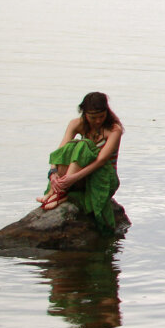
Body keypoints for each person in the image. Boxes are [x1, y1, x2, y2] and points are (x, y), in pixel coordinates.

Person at [37, 92, 124, 233]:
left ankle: (59, 193)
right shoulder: (76, 124)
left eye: (101, 117)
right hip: (80, 176)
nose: (97, 121)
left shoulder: (114, 130)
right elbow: (61, 152)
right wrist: (53, 173)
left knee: (83, 146)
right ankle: (56, 190)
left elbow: (101, 161)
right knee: (71, 146)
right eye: (93, 117)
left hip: (103, 177)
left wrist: (72, 178)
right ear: (84, 113)